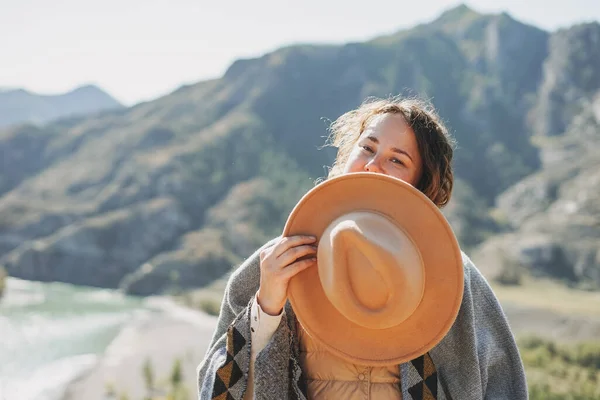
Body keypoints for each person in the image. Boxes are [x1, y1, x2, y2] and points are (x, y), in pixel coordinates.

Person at [196, 96, 528, 400]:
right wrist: (267, 306)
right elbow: (222, 388)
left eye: (397, 160)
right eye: (367, 147)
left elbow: (501, 385)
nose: (373, 165)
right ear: (345, 154)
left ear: (420, 184)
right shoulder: (281, 258)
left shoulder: (453, 278)